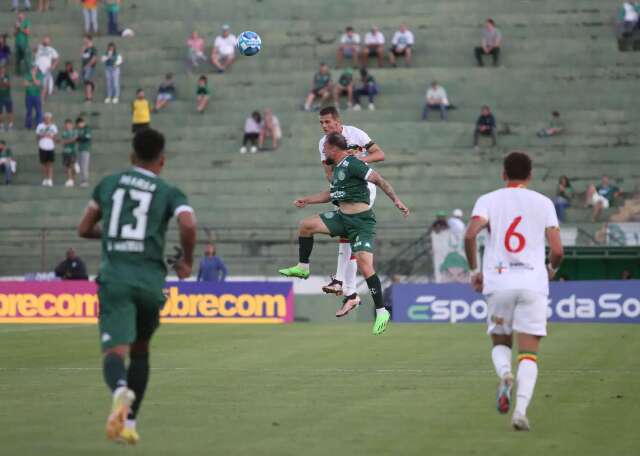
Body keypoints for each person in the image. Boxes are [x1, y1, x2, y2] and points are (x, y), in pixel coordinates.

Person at [77, 128, 197, 446]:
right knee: (141, 351)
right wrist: (186, 261)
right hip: (150, 283)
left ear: (131, 157)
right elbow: (188, 223)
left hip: (116, 278)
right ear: (162, 161)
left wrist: (115, 234)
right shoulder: (169, 191)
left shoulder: (108, 183)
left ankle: (119, 392)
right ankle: (129, 423)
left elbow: (84, 227)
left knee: (115, 352)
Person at [464, 151, 564, 431]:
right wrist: (550, 271)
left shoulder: (488, 199)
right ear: (530, 176)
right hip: (533, 283)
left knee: (500, 342)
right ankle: (520, 411)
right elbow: (557, 250)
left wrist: (475, 272)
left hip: (499, 281)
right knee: (529, 354)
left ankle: (505, 375)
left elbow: (470, 234)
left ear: (503, 174)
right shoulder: (544, 203)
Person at [278, 133, 409, 335]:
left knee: (366, 266)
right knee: (305, 225)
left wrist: (397, 201)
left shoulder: (353, 164)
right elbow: (332, 195)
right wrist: (308, 200)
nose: (323, 153)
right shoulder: (338, 169)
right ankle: (303, 268)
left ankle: (382, 311)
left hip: (361, 222)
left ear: (333, 149)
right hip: (342, 218)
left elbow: (379, 180)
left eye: (325, 149)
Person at [315, 106, 386, 314]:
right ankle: (350, 293)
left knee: (348, 229)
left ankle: (342, 283)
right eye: (321, 123)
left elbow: (379, 154)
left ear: (338, 122)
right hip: (343, 188)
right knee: (347, 235)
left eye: (327, 122)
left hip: (363, 189)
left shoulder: (356, 134)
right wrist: (340, 179)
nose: (324, 126)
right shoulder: (323, 144)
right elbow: (328, 173)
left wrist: (356, 162)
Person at [36, 112, 58, 187]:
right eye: (46, 118)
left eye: (49, 118)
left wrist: (51, 137)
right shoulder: (40, 126)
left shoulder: (54, 126)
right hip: (42, 146)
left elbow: (55, 138)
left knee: (50, 164)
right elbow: (37, 137)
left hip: (50, 147)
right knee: (44, 164)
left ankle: (50, 179)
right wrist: (42, 135)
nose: (47, 119)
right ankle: (45, 179)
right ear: (44, 118)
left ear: (51, 119)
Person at [34, 36, 59, 101]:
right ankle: (40, 100)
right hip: (37, 69)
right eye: (44, 39)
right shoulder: (39, 47)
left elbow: (56, 59)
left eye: (47, 40)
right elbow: (34, 51)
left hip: (46, 70)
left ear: (49, 42)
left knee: (46, 86)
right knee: (39, 85)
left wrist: (53, 66)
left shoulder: (51, 49)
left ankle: (43, 100)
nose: (45, 41)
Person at [61, 118, 78, 187]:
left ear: (71, 125)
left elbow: (74, 140)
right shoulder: (64, 132)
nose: (67, 126)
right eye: (66, 125)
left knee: (72, 165)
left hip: (73, 151)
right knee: (68, 166)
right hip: (66, 152)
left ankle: (72, 180)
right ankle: (70, 179)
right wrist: (67, 141)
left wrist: (67, 141)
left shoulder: (75, 132)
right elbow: (63, 141)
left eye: (69, 125)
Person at [14, 11, 32, 75]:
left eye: (21, 15)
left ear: (23, 15)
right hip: (17, 43)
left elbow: (27, 33)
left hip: (24, 43)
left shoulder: (27, 22)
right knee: (17, 59)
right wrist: (16, 29)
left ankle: (29, 73)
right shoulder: (17, 22)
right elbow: (14, 34)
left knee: (27, 59)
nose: (19, 17)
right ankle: (18, 73)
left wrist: (19, 27)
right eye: (19, 16)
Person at [76, 116, 92, 187]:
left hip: (85, 150)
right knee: (80, 166)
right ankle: (82, 180)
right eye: (78, 124)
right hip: (79, 149)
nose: (79, 125)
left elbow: (87, 138)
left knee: (84, 166)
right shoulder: (78, 130)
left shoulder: (87, 129)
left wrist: (79, 138)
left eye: (80, 123)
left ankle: (85, 181)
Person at [81, 35, 98, 102]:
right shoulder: (85, 48)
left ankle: (89, 97)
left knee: (87, 81)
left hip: (90, 67)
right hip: (84, 67)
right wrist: (83, 50)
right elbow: (82, 57)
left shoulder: (93, 49)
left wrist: (88, 65)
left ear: (89, 40)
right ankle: (88, 95)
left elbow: (94, 58)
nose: (84, 41)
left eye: (85, 39)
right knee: (86, 81)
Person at [0, 66, 15, 131]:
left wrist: (4, 83)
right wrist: (3, 83)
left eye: (3, 69)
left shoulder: (7, 76)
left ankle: (10, 126)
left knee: (10, 112)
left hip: (7, 97)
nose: (2, 70)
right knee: (0, 113)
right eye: (1, 69)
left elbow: (9, 85)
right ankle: (1, 126)